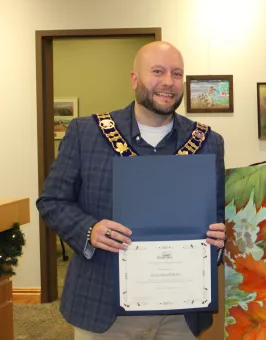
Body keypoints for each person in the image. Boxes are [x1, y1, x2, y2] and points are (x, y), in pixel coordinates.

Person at [36, 41, 226, 340]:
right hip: (103, 306)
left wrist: (218, 237)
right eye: (157, 71)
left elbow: (217, 214)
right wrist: (90, 230)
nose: (168, 82)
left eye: (177, 74)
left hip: (181, 309)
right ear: (135, 79)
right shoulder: (86, 133)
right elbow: (52, 201)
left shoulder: (207, 141)